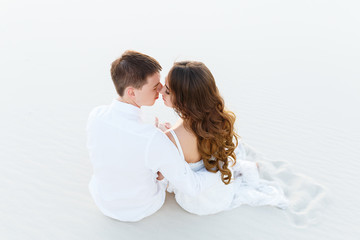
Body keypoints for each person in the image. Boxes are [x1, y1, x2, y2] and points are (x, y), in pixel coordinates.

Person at [86, 51, 221, 222]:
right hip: (140, 208)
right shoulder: (152, 138)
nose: (161, 90)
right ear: (132, 93)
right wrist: (223, 165)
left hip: (102, 199)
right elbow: (193, 187)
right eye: (154, 86)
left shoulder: (95, 115)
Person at [159, 61, 288, 215]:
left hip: (201, 202)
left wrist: (161, 136)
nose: (161, 92)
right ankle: (245, 169)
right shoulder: (210, 118)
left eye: (167, 91)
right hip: (220, 188)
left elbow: (162, 174)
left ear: (184, 100)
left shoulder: (171, 137)